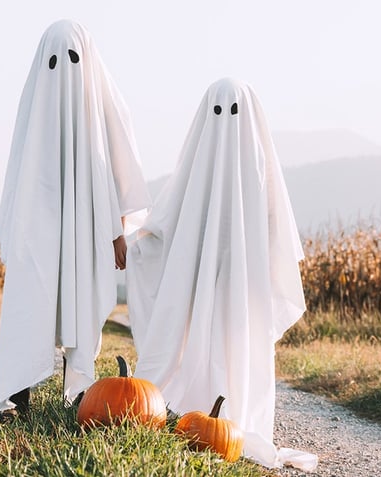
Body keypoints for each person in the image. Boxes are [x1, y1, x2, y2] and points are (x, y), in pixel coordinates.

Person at [127, 78, 316, 470]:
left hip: (243, 281)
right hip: (202, 277)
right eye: (218, 112)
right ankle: (203, 405)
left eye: (234, 113)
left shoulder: (258, 169)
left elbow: (275, 227)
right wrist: (141, 238)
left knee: (235, 336)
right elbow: (170, 218)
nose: (226, 124)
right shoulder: (198, 169)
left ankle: (225, 407)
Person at [0, 19, 150, 425]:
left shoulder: (103, 108)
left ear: (88, 61)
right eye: (55, 61)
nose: (64, 70)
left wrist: (118, 230)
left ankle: (79, 391)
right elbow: (17, 182)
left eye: (73, 59)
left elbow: (121, 167)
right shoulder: (33, 115)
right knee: (29, 302)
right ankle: (13, 396)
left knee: (83, 298)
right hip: (36, 228)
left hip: (90, 226)